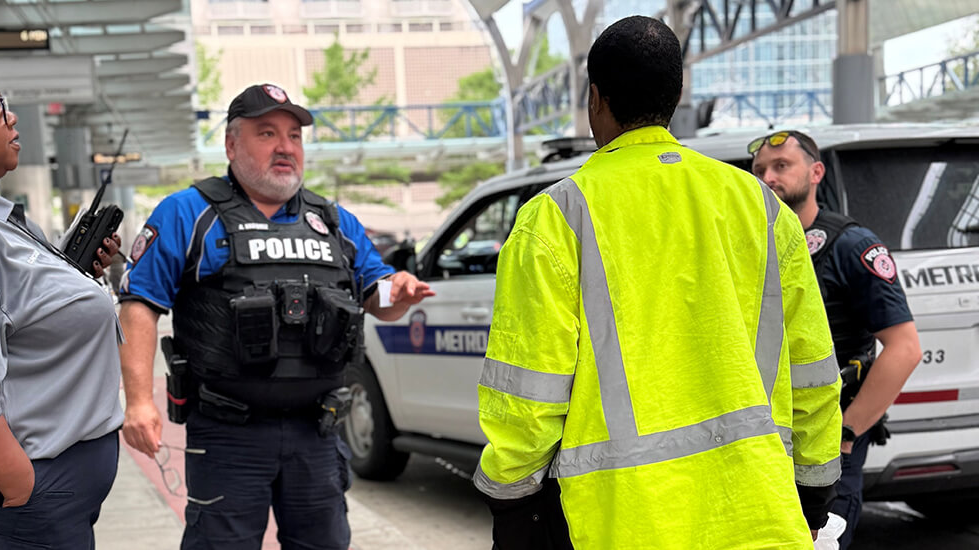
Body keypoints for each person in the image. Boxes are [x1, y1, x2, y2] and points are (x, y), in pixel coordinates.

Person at [472, 16, 843, 549]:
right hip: (758, 514)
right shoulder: (761, 208)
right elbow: (812, 369)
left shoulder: (556, 217)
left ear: (595, 99)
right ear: (675, 94)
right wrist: (813, 488)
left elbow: (528, 396)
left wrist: (509, 498)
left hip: (619, 523)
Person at [118, 83, 434, 550]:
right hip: (228, 434)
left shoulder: (335, 221)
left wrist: (400, 293)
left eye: (294, 136)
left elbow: (376, 294)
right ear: (231, 144)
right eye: (266, 133)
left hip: (318, 433)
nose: (285, 147)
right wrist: (139, 401)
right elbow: (139, 303)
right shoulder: (189, 213)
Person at [0, 44, 124, 548]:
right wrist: (21, 486)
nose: (11, 117)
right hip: (15, 510)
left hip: (38, 507)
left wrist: (70, 280)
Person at [750, 129, 921, 549]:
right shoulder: (753, 245)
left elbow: (904, 348)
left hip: (830, 440)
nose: (768, 178)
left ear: (816, 172)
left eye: (781, 166)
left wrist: (846, 433)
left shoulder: (851, 245)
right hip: (770, 438)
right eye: (759, 171)